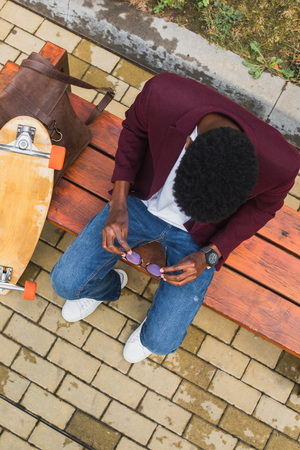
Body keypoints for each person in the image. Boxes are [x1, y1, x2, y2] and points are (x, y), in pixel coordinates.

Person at [51, 72, 300, 363]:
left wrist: (209, 254)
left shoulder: (282, 165)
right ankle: (109, 285)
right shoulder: (163, 95)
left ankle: (150, 329)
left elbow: (262, 208)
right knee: (66, 283)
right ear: (187, 145)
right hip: (138, 204)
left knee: (161, 341)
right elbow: (133, 131)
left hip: (196, 239)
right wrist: (118, 203)